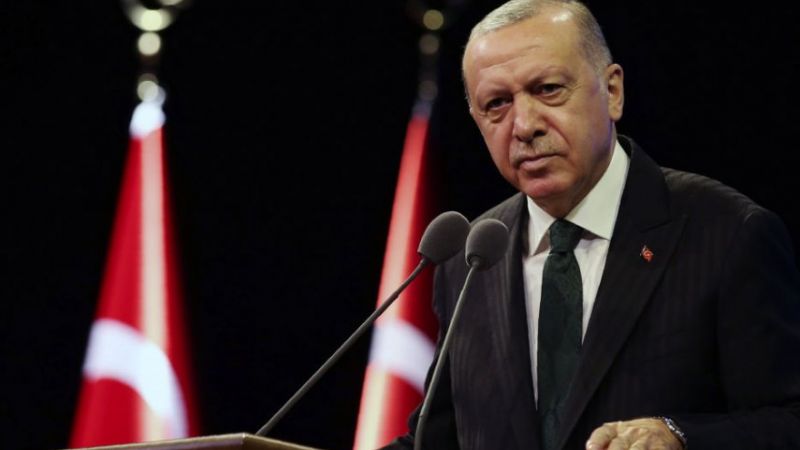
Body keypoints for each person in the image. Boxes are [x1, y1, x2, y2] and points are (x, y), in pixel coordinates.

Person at [382, 0, 800, 449]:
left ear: (613, 91)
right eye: (497, 104)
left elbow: (788, 421)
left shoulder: (728, 233)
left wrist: (680, 437)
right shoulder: (471, 259)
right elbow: (436, 441)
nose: (524, 125)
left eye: (548, 89)